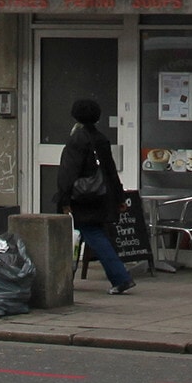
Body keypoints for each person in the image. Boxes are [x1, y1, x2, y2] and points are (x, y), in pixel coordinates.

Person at [56, 97, 135, 295]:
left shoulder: (76, 139)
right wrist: (119, 198)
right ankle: (65, 279)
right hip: (100, 196)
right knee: (89, 236)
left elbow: (68, 172)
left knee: (89, 235)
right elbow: (110, 171)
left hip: (81, 198)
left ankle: (120, 277)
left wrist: (64, 199)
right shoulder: (100, 138)